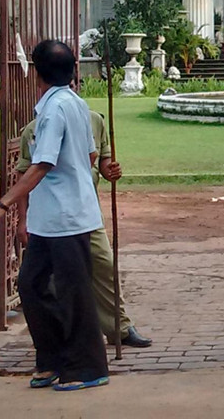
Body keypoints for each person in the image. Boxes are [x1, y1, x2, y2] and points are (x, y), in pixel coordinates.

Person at [0, 40, 110, 391]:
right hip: (50, 219)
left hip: (68, 217)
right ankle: (51, 359)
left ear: (36, 73)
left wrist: (1, 205)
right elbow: (90, 156)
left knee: (73, 292)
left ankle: (86, 366)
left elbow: (42, 164)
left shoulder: (57, 110)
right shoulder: (75, 105)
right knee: (31, 287)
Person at [16, 109, 152, 347]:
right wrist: (22, 219)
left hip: (87, 211)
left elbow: (103, 160)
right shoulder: (34, 129)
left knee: (105, 265)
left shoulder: (94, 121)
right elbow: (24, 177)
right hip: (51, 216)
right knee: (54, 276)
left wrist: (110, 170)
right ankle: (60, 335)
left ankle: (118, 327)